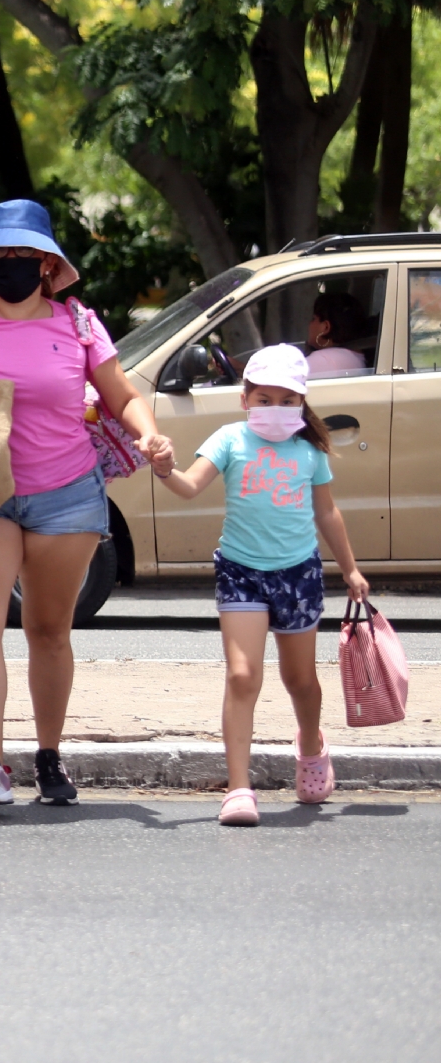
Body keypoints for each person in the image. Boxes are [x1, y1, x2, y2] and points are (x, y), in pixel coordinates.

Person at [0, 199, 174, 807]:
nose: (11, 263)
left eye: (24, 255)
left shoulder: (78, 325)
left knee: (48, 630)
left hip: (67, 494)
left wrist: (148, 432)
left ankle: (49, 757)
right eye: (0, 255)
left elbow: (120, 394)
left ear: (47, 264)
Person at [152, 345, 368, 825]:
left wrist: (350, 569)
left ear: (301, 404)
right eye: (263, 398)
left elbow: (327, 512)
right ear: (245, 399)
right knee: (242, 675)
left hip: (299, 574)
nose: (275, 408)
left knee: (300, 681)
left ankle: (311, 748)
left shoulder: (309, 450)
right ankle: (238, 788)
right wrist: (164, 468)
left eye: (286, 400)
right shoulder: (229, 439)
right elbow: (189, 486)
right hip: (241, 572)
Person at [305, 290, 367, 376]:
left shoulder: (324, 359)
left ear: (326, 327)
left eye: (313, 319)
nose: (309, 324)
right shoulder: (355, 357)